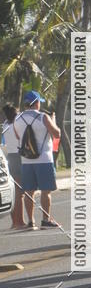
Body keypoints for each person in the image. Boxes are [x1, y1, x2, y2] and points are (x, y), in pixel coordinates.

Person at [13, 90, 61, 230]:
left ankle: (31, 221)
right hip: (44, 159)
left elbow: (18, 137)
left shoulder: (18, 118)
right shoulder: (43, 117)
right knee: (46, 191)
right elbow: (56, 134)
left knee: (29, 191)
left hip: (27, 160)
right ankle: (46, 219)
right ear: (36, 103)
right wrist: (53, 121)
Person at [1, 103, 26, 229]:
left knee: (14, 191)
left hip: (10, 157)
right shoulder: (17, 124)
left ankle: (14, 221)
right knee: (19, 192)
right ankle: (19, 221)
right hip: (19, 157)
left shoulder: (6, 124)